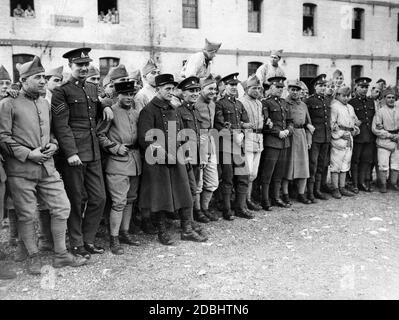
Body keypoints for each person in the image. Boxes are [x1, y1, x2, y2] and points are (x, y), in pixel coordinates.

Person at [0, 56, 87, 274]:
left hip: (47, 167)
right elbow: (3, 137)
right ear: (24, 80)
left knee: (62, 207)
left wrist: (55, 145)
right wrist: (29, 154)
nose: (42, 81)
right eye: (37, 77)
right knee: (27, 214)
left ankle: (61, 255)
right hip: (20, 170)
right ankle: (33, 257)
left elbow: (51, 133)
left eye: (43, 77)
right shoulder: (8, 104)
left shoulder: (44, 102)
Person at [51, 48, 111, 259]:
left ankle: (88, 239)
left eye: (86, 65)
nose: (84, 68)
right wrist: (70, 153)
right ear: (70, 66)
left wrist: (105, 105)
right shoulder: (62, 91)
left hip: (93, 151)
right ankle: (76, 243)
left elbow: (94, 108)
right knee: (76, 200)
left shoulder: (93, 88)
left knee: (99, 198)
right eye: (79, 65)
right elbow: (61, 125)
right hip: (75, 154)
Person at [138, 74, 200, 245]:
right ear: (157, 89)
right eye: (167, 89)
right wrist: (165, 157)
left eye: (173, 89)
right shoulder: (148, 111)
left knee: (185, 194)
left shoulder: (173, 109)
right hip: (158, 162)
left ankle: (187, 230)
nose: (171, 92)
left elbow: (181, 134)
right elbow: (146, 139)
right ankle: (162, 232)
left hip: (177, 158)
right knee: (160, 198)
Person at [97, 80, 141, 254]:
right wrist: (114, 147)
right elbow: (99, 135)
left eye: (131, 94)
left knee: (130, 200)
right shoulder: (111, 112)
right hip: (117, 163)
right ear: (117, 95)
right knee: (118, 202)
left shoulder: (137, 113)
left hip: (135, 161)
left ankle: (125, 232)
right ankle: (114, 238)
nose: (129, 97)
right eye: (125, 94)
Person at [215, 73, 254, 220]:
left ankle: (240, 207)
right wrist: (236, 134)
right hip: (226, 147)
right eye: (230, 85)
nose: (233, 87)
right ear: (224, 86)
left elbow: (245, 121)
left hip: (239, 146)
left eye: (235, 85)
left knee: (243, 177)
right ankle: (227, 209)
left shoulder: (238, 104)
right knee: (228, 179)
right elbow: (220, 125)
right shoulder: (220, 104)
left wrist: (243, 129)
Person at [260, 76, 293, 210]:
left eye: (281, 87)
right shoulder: (265, 103)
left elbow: (290, 121)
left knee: (279, 172)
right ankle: (265, 200)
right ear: (271, 87)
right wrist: (277, 132)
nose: (280, 89)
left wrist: (288, 131)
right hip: (272, 142)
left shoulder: (284, 103)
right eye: (277, 87)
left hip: (284, 142)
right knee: (267, 173)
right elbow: (265, 123)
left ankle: (276, 198)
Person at [282, 80, 314, 204]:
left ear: (301, 91)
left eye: (297, 90)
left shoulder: (303, 105)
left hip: (301, 136)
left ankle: (301, 193)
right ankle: (285, 194)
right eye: (292, 89)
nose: (295, 92)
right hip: (289, 135)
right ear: (288, 90)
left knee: (303, 166)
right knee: (287, 166)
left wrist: (309, 139)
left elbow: (308, 124)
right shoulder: (284, 103)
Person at [238, 75, 266, 211]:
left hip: (259, 138)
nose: (257, 91)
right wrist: (244, 124)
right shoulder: (241, 102)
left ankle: (248, 199)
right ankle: (243, 201)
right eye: (254, 88)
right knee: (246, 172)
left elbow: (261, 119)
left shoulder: (259, 103)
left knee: (253, 173)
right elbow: (237, 121)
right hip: (247, 138)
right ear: (247, 88)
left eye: (259, 88)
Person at [195, 75, 219, 221]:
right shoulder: (195, 104)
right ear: (201, 89)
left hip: (211, 139)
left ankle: (205, 208)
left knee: (212, 180)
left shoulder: (212, 104)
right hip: (199, 140)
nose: (213, 92)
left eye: (215, 89)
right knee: (199, 180)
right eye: (210, 88)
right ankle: (197, 211)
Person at [329, 86, 360, 199]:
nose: (346, 98)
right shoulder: (334, 107)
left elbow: (354, 121)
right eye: (344, 96)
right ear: (337, 95)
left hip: (349, 138)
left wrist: (355, 129)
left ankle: (342, 187)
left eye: (348, 96)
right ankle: (335, 188)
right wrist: (341, 133)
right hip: (339, 139)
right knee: (336, 164)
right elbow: (331, 124)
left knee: (345, 164)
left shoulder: (350, 107)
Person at [305, 74, 331, 202]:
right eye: (320, 86)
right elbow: (305, 119)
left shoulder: (327, 100)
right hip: (315, 138)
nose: (323, 88)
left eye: (325, 86)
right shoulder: (309, 101)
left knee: (322, 164)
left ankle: (317, 190)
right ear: (315, 87)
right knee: (313, 165)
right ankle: (309, 192)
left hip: (326, 137)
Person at [349, 77, 376, 193]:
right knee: (355, 160)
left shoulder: (371, 102)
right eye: (362, 87)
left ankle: (362, 182)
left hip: (369, 136)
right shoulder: (351, 102)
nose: (364, 89)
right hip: (358, 136)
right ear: (356, 88)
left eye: (366, 87)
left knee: (366, 160)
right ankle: (354, 184)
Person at [372, 87, 399, 193]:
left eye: (393, 97)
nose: (391, 99)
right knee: (383, 164)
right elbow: (375, 129)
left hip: (397, 141)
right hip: (384, 142)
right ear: (384, 98)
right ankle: (382, 184)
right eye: (388, 97)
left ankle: (392, 183)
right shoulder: (380, 112)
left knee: (396, 163)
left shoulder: (398, 110)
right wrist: (389, 135)